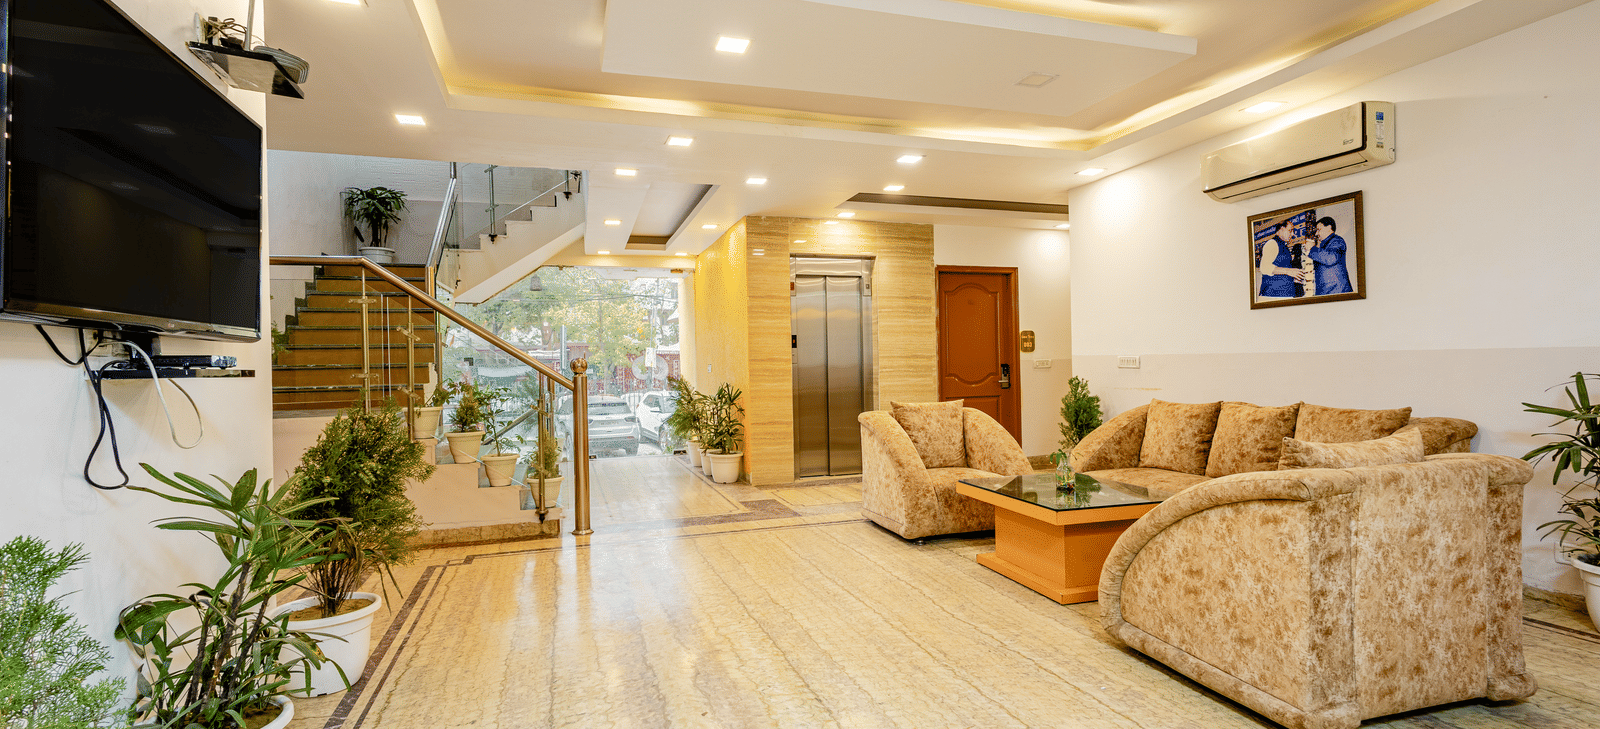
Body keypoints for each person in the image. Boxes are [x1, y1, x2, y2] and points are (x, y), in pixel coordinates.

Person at [1305, 216, 1353, 295]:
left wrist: (1312, 248)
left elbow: (1331, 258)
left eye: (1319, 229)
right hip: (1326, 292)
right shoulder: (1323, 246)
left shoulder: (1337, 240)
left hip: (1337, 291)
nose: (1316, 233)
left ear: (1329, 227)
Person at [1257, 223, 1304, 298]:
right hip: (1272, 296)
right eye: (1290, 230)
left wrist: (1293, 279)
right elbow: (1264, 268)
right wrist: (1288, 271)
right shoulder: (1272, 243)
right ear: (1281, 229)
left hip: (1285, 295)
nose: (1292, 234)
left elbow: (1281, 271)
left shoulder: (1284, 247)